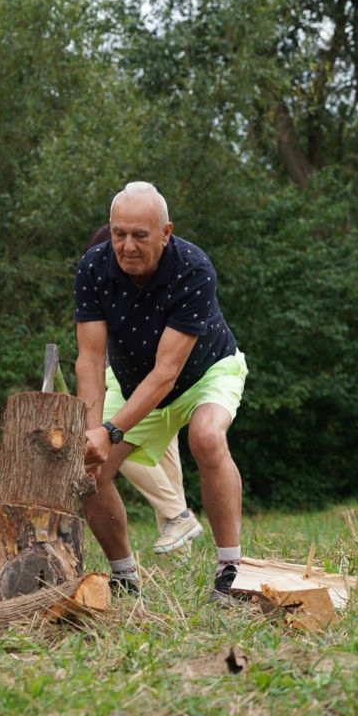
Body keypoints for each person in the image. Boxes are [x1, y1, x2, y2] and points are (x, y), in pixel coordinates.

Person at [75, 182, 247, 601]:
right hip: (133, 382)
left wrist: (110, 431)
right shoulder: (93, 267)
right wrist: (91, 432)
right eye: (119, 234)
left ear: (166, 232)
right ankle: (125, 576)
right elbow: (91, 360)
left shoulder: (193, 269)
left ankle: (230, 571)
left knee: (206, 437)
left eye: (140, 235)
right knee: (85, 471)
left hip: (205, 373)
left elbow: (167, 374)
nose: (127, 246)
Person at [84, 224, 203, 555]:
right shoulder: (137, 281)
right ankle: (181, 551)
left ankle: (177, 515)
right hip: (162, 382)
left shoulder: (137, 284)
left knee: (112, 441)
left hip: (144, 382)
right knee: (166, 460)